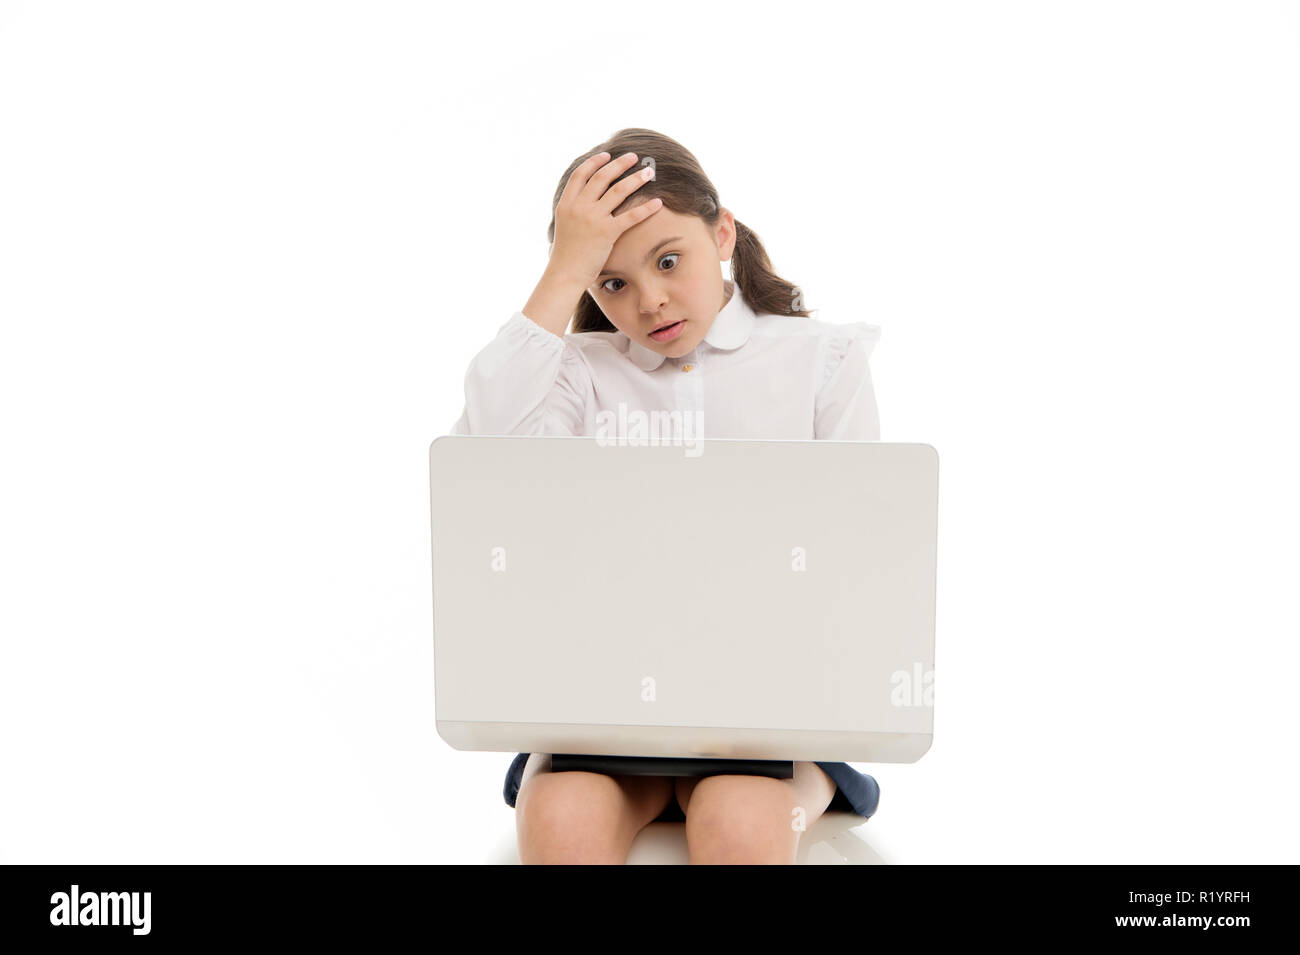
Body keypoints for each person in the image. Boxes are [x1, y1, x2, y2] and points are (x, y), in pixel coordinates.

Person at [450, 128, 883, 864]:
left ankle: (808, 783)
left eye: (669, 261)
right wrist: (565, 268)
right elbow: (479, 466)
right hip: (604, 705)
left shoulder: (820, 360)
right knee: (558, 824)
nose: (649, 300)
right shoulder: (577, 372)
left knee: (741, 825)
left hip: (766, 707)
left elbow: (860, 550)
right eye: (612, 282)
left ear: (722, 232)